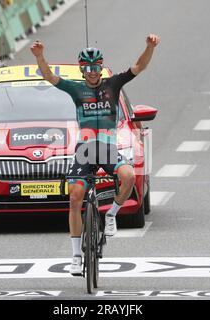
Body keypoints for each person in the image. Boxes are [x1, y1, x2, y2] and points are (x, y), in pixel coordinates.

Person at [30, 34, 160, 275]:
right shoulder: (75, 89)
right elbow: (49, 76)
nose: (92, 71)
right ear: (82, 70)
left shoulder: (113, 84)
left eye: (96, 67)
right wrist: (40, 56)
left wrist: (149, 47)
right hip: (85, 151)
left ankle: (111, 215)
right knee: (75, 197)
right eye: (88, 67)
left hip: (108, 150)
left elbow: (139, 66)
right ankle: (76, 255)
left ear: (101, 67)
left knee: (129, 176)